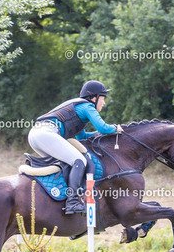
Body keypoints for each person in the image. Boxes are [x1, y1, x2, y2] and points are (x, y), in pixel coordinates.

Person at [28, 80, 123, 214]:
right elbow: (103, 127)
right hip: (46, 134)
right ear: (94, 98)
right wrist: (115, 128)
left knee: (67, 164)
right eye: (103, 98)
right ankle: (72, 202)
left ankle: (59, 196)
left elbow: (82, 137)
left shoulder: (79, 110)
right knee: (79, 161)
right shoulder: (87, 106)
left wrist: (99, 134)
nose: (104, 103)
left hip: (36, 135)